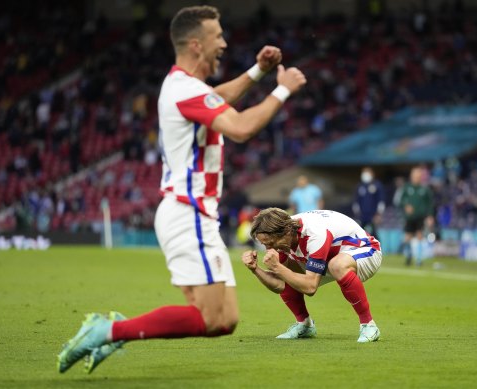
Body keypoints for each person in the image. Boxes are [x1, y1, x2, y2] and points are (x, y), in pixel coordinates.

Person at [57, 5, 306, 374]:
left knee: (224, 319)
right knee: (210, 318)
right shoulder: (185, 89)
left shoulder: (181, 87)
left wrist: (257, 73)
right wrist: (282, 91)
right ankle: (108, 330)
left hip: (195, 214)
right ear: (196, 45)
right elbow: (239, 128)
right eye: (217, 36)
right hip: (187, 212)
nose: (224, 42)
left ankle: (111, 330)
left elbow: (216, 98)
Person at [241, 207, 382, 343]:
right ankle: (305, 325)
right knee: (289, 273)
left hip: (366, 250)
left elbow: (310, 287)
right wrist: (256, 270)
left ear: (286, 232)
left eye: (271, 243)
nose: (269, 249)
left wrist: (277, 267)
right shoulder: (284, 232)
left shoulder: (315, 234)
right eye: (265, 245)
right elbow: (280, 284)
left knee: (336, 265)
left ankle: (369, 325)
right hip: (331, 256)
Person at [398, 166, 434, 266]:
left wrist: (430, 216)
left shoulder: (425, 189)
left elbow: (430, 204)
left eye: (418, 175)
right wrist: (406, 206)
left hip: (420, 217)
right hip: (409, 218)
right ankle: (409, 256)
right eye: (414, 175)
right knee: (407, 237)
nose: (416, 177)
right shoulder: (407, 188)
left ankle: (419, 259)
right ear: (411, 176)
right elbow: (401, 200)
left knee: (419, 236)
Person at [352, 167, 385, 239]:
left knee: (373, 234)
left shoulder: (377, 185)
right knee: (360, 234)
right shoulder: (359, 186)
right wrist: (357, 214)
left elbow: (381, 202)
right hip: (362, 216)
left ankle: (377, 248)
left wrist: (378, 214)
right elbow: (356, 202)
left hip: (373, 215)